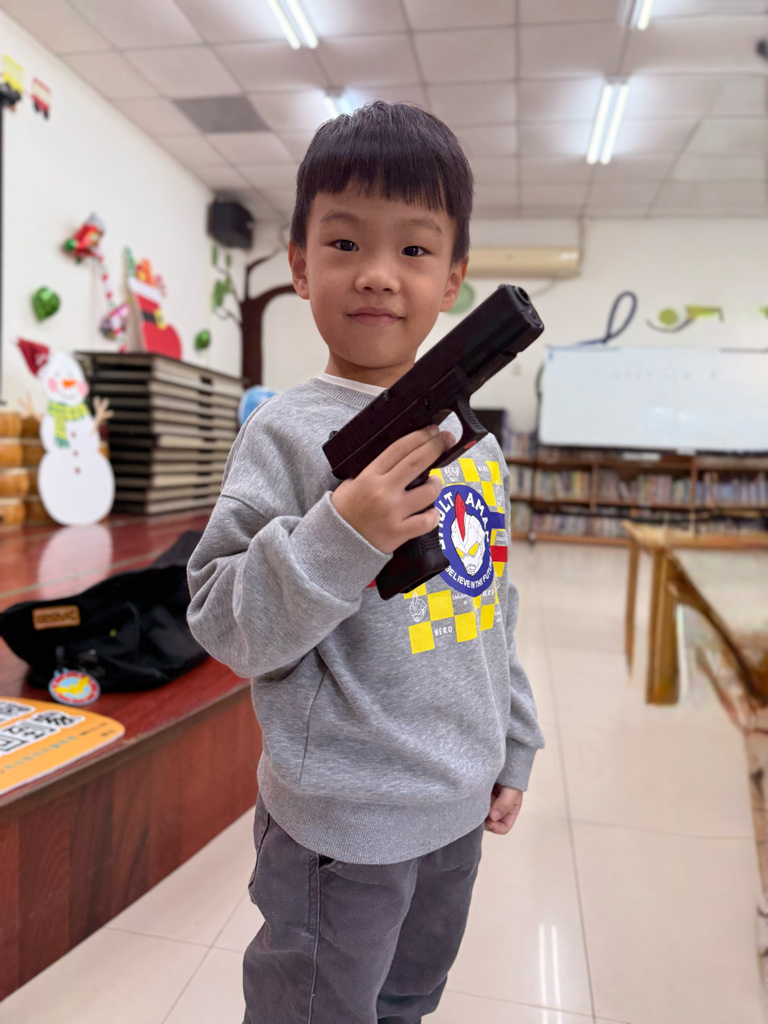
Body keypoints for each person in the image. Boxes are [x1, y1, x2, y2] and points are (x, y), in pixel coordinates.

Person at [187, 100, 545, 1024]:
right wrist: (342, 531)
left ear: (454, 277)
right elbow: (222, 621)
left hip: (458, 807)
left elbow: (489, 607)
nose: (379, 274)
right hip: (340, 827)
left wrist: (513, 737)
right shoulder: (283, 434)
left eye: (414, 249)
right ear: (300, 265)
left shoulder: (475, 445)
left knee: (408, 1001)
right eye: (345, 243)